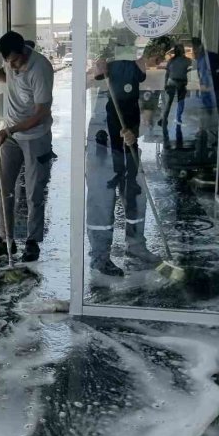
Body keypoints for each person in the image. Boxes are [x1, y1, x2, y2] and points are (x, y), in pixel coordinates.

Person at [86, 39, 167, 274]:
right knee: (103, 200)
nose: (158, 62)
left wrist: (133, 132)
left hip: (127, 142)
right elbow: (96, 77)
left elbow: (141, 112)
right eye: (159, 57)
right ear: (154, 56)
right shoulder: (123, 68)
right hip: (105, 142)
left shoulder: (146, 77)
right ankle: (100, 256)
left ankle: (136, 246)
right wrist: (100, 67)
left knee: (135, 194)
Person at [0, 31, 55, 264]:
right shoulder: (11, 65)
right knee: (3, 188)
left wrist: (10, 130)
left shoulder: (40, 68)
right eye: (7, 61)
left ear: (24, 51)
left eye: (14, 60)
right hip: (10, 135)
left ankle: (32, 242)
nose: (11, 65)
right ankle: (6, 241)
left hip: (35, 136)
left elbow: (40, 114)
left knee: (33, 193)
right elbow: (8, 77)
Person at [160, 43, 191, 147]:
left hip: (172, 82)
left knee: (169, 102)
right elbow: (190, 71)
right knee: (180, 101)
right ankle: (177, 118)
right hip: (180, 82)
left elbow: (167, 74)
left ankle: (165, 119)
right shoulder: (187, 61)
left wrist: (165, 83)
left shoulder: (171, 61)